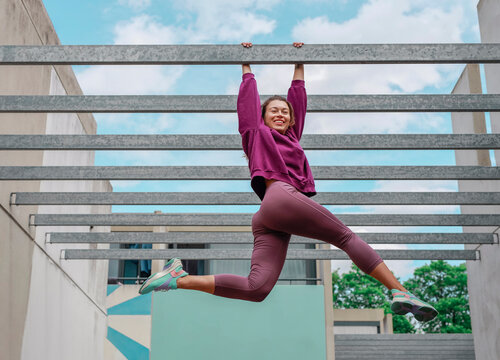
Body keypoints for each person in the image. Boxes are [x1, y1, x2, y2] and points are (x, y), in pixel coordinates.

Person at [139, 42, 438, 322]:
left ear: (292, 120)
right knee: (345, 238)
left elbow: (298, 100)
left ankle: (179, 278)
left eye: (285, 112)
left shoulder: (292, 138)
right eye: (273, 111)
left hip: (269, 217)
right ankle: (399, 290)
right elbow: (247, 105)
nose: (281, 114)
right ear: (263, 117)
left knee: (257, 288)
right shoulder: (255, 134)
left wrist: (299, 64)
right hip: (280, 195)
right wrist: (247, 66)